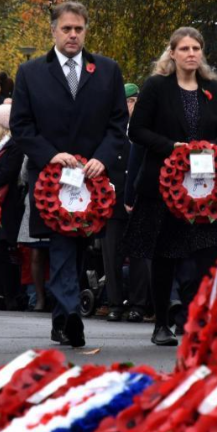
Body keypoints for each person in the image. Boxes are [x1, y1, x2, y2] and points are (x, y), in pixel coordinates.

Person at [10, 1, 129, 348]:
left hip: (91, 179)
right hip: (50, 178)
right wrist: (51, 155)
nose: (73, 35)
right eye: (66, 29)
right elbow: (21, 125)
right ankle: (72, 313)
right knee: (61, 244)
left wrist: (102, 160)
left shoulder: (107, 71)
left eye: (79, 29)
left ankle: (62, 318)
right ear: (53, 31)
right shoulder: (30, 73)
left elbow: (117, 123)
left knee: (78, 247)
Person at [120, 27, 217, 346]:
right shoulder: (156, 87)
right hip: (163, 186)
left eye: (196, 48)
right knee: (164, 255)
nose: (191, 54)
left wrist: (210, 148)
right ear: (172, 53)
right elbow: (137, 130)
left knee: (205, 255)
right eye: (184, 48)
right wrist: (174, 147)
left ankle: (194, 320)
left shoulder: (212, 88)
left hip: (204, 187)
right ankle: (161, 324)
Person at [101, 83, 149, 322]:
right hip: (114, 199)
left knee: (140, 254)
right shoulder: (113, 131)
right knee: (112, 255)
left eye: (134, 102)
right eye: (129, 102)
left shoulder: (144, 130)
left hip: (140, 198)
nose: (131, 106)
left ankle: (138, 304)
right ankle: (115, 302)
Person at [0, 104, 25, 311]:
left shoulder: (15, 146)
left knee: (4, 250)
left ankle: (10, 295)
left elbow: (9, 173)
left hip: (7, 204)